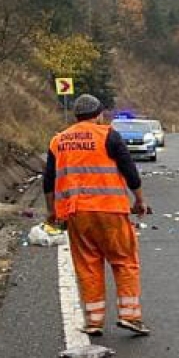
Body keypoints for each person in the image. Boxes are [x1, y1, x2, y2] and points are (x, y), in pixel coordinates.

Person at [44, 94, 151, 336]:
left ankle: (94, 321)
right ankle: (130, 316)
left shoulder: (58, 140)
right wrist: (140, 200)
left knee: (88, 265)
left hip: (76, 214)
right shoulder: (108, 135)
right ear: (99, 114)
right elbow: (129, 171)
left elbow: (48, 180)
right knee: (124, 260)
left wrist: (51, 211)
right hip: (110, 210)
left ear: (76, 116)